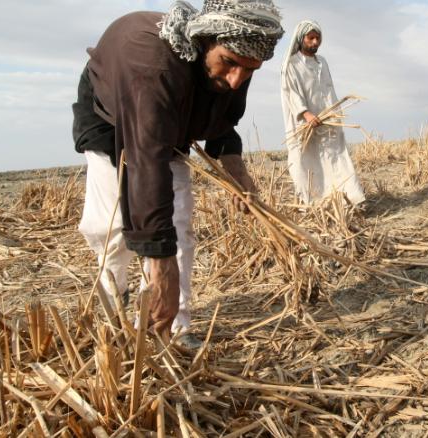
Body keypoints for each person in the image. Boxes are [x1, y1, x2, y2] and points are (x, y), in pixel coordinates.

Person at [71, 0, 284, 344]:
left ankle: (174, 328)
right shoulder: (152, 67)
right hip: (110, 115)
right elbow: (146, 162)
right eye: (229, 63)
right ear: (204, 41)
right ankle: (115, 302)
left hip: (169, 120)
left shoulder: (236, 60)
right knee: (110, 229)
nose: (236, 80)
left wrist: (237, 174)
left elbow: (221, 120)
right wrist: (159, 261)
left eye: (249, 71)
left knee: (179, 222)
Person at [280, 20, 365, 206]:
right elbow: (290, 93)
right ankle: (312, 205)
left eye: (318, 38)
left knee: (336, 159)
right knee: (305, 163)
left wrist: (334, 114)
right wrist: (306, 114)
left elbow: (328, 90)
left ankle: (346, 201)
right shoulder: (291, 65)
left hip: (327, 121)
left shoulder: (322, 62)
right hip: (303, 124)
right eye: (311, 38)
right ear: (301, 38)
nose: (315, 42)